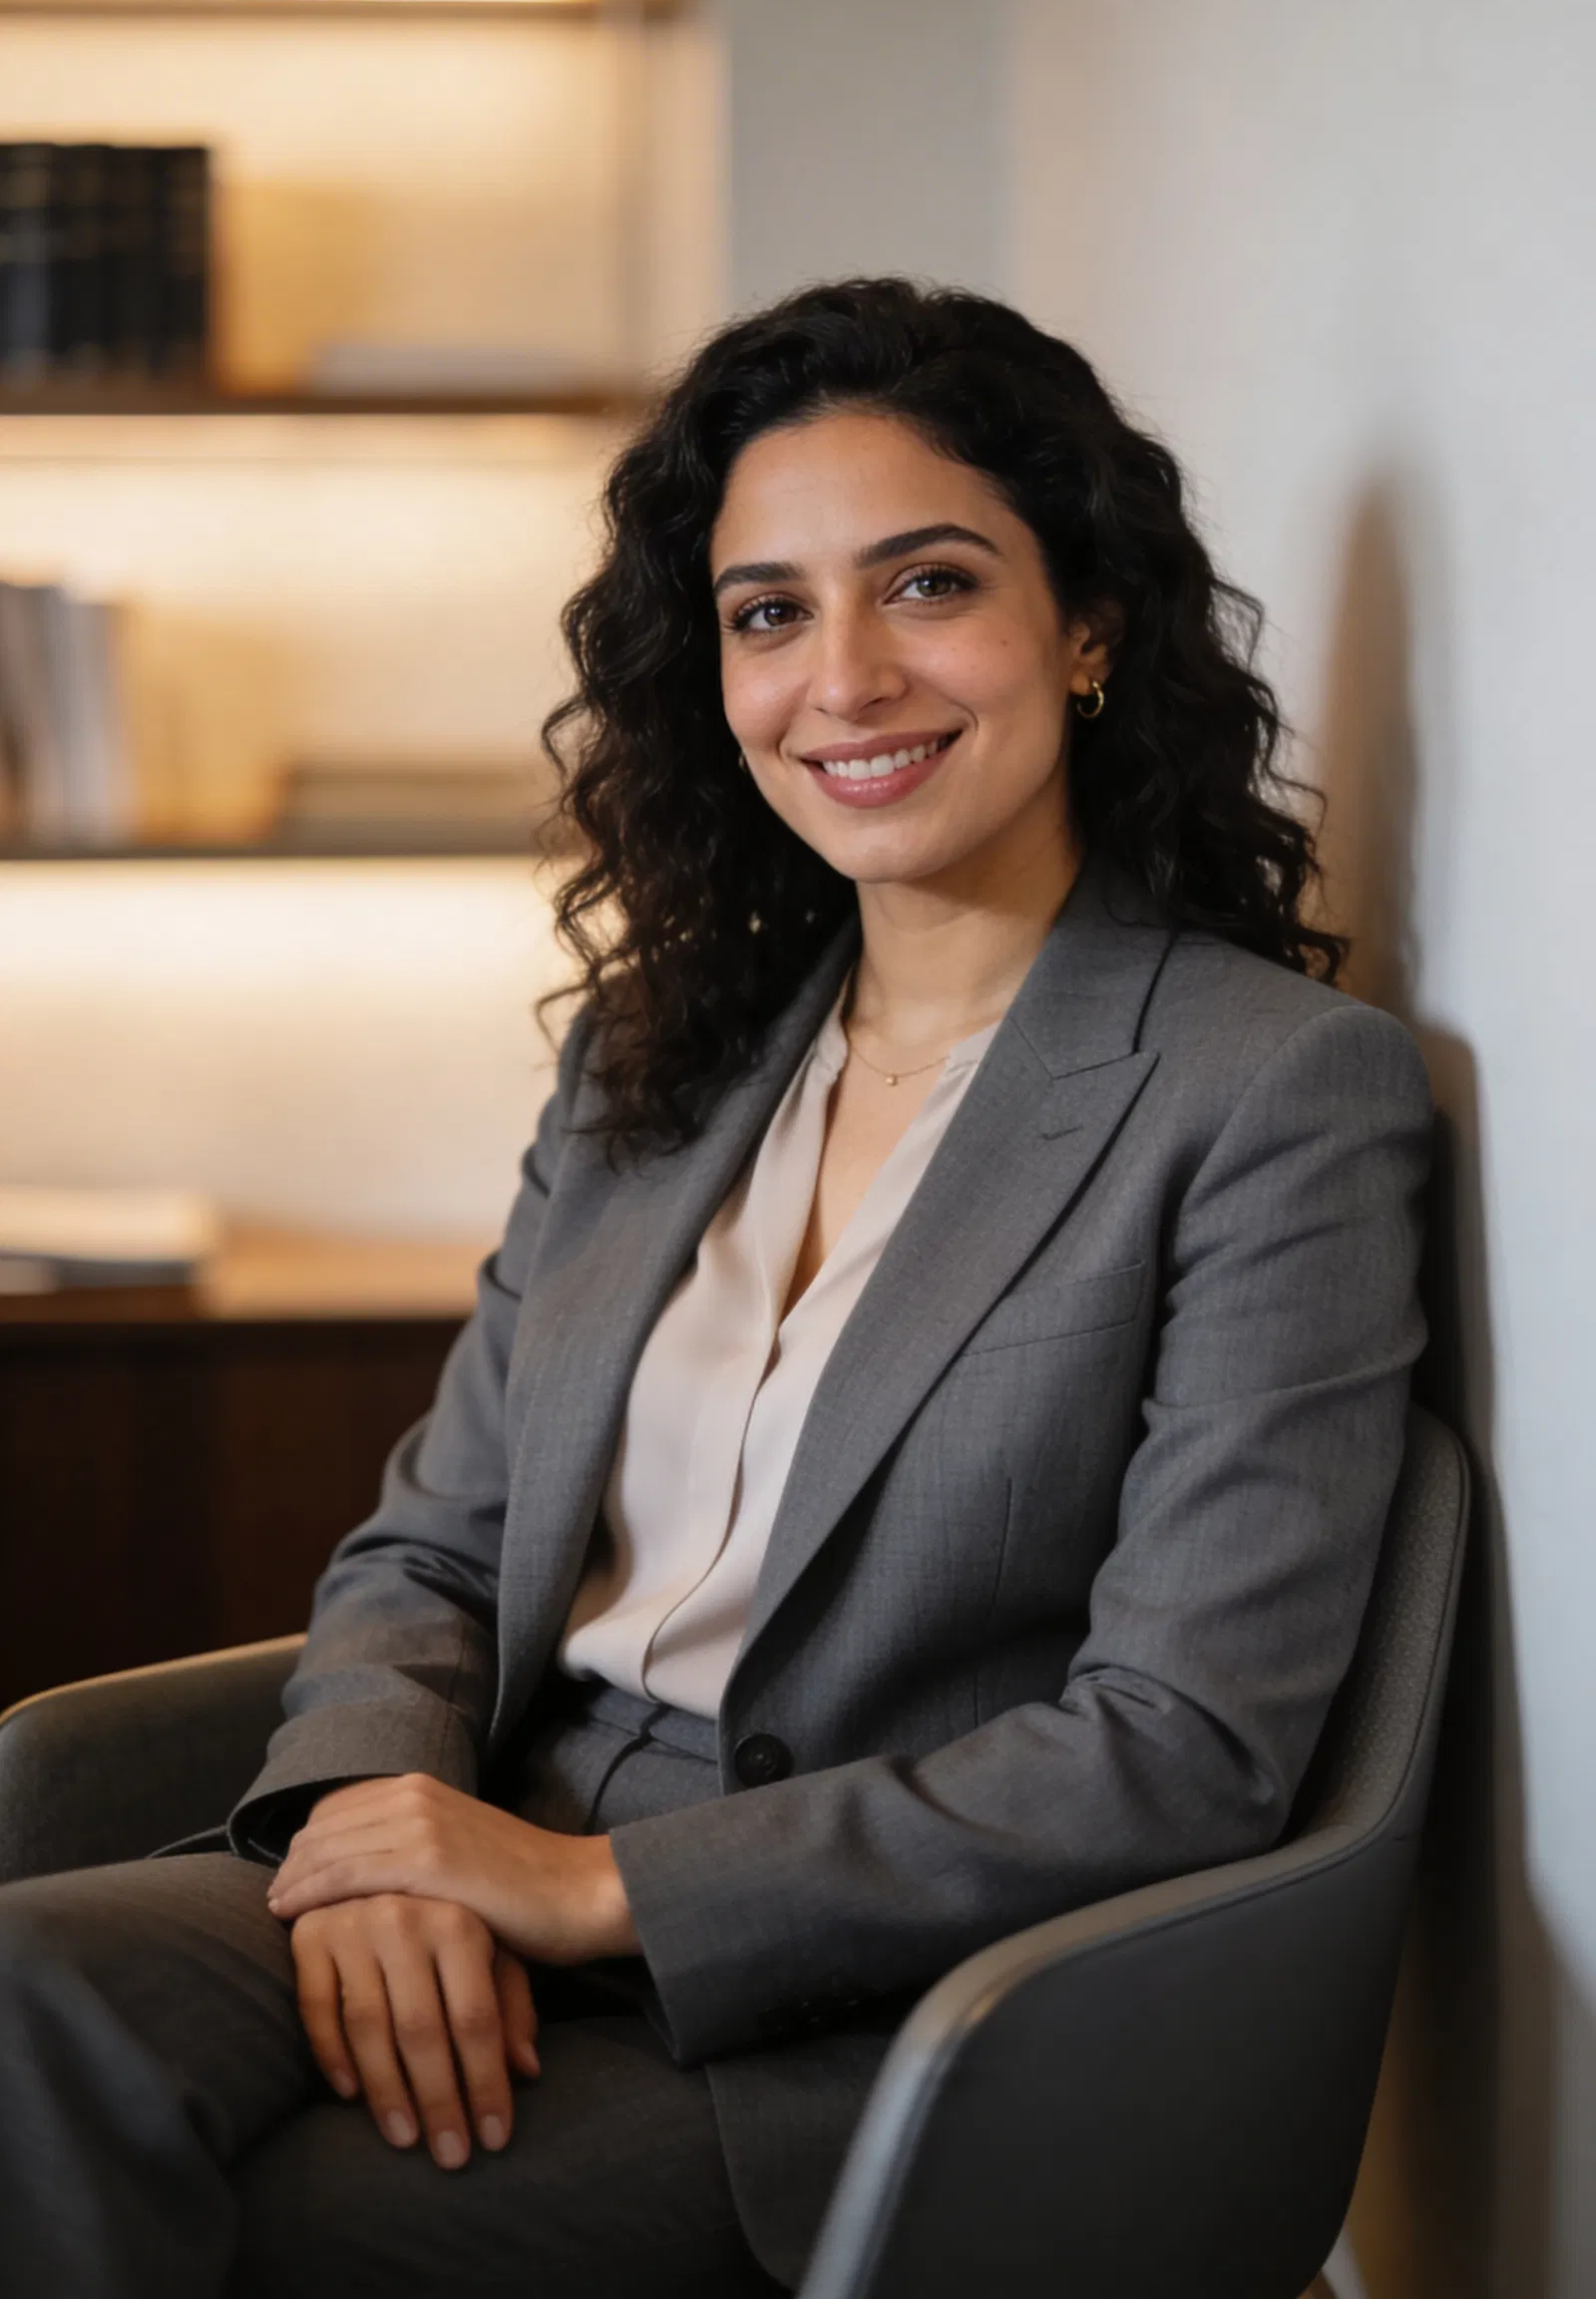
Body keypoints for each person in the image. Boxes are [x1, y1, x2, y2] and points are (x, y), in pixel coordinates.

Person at [0, 279, 1430, 2299]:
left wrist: (591, 1889)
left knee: (265, 2229)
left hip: (849, 2005)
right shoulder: (648, 1063)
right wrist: (382, 1814)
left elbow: (1178, 1744)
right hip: (473, 1835)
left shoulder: (1269, 1094)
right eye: (766, 611)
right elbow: (433, 1541)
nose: (839, 676)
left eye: (923, 583)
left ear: (1086, 628)